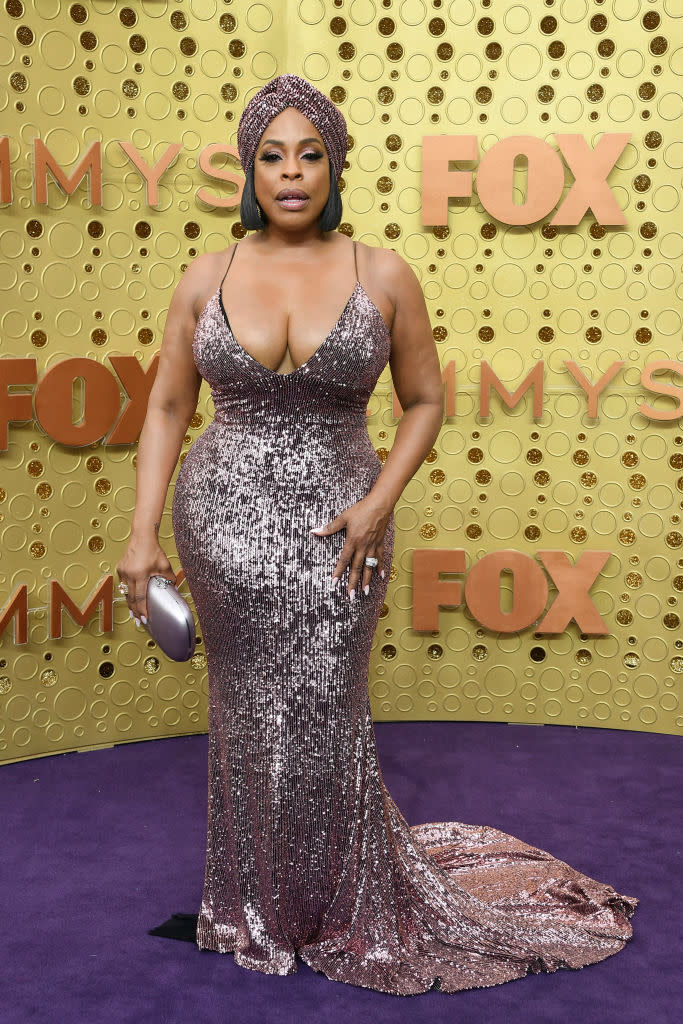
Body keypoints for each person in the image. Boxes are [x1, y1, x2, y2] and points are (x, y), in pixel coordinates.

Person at [116, 74, 638, 996]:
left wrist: (378, 503)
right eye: (271, 156)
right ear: (248, 169)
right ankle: (252, 906)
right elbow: (165, 405)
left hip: (343, 525)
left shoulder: (382, 271)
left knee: (324, 711)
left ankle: (344, 900)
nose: (290, 173)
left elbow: (427, 401)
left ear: (334, 166)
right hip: (223, 520)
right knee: (243, 712)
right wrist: (140, 534)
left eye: (309, 154)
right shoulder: (207, 273)